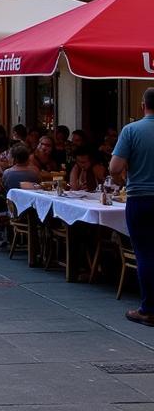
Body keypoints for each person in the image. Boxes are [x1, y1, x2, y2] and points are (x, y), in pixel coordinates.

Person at [110, 88, 154, 326]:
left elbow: (115, 168)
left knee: (146, 253)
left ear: (142, 105)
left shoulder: (132, 130)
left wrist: (123, 179)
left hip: (142, 198)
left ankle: (148, 309)